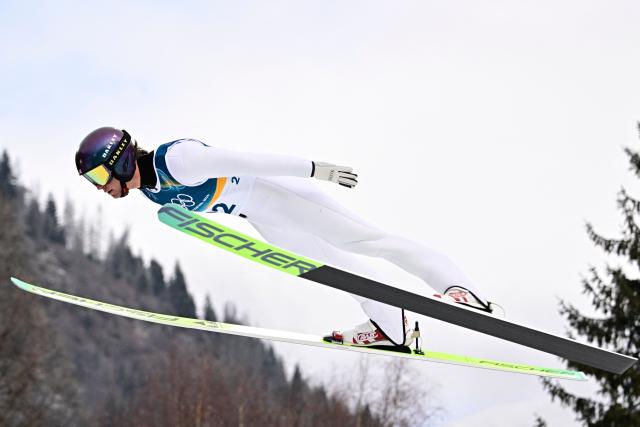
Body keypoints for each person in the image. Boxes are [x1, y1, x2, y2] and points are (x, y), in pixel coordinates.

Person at [75, 127, 502, 350]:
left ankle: (458, 288)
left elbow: (245, 158)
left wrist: (314, 169)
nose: (100, 187)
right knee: (333, 272)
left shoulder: (177, 159)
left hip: (281, 194)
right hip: (260, 216)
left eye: (98, 176)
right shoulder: (150, 191)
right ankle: (394, 327)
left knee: (366, 241)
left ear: (120, 159)